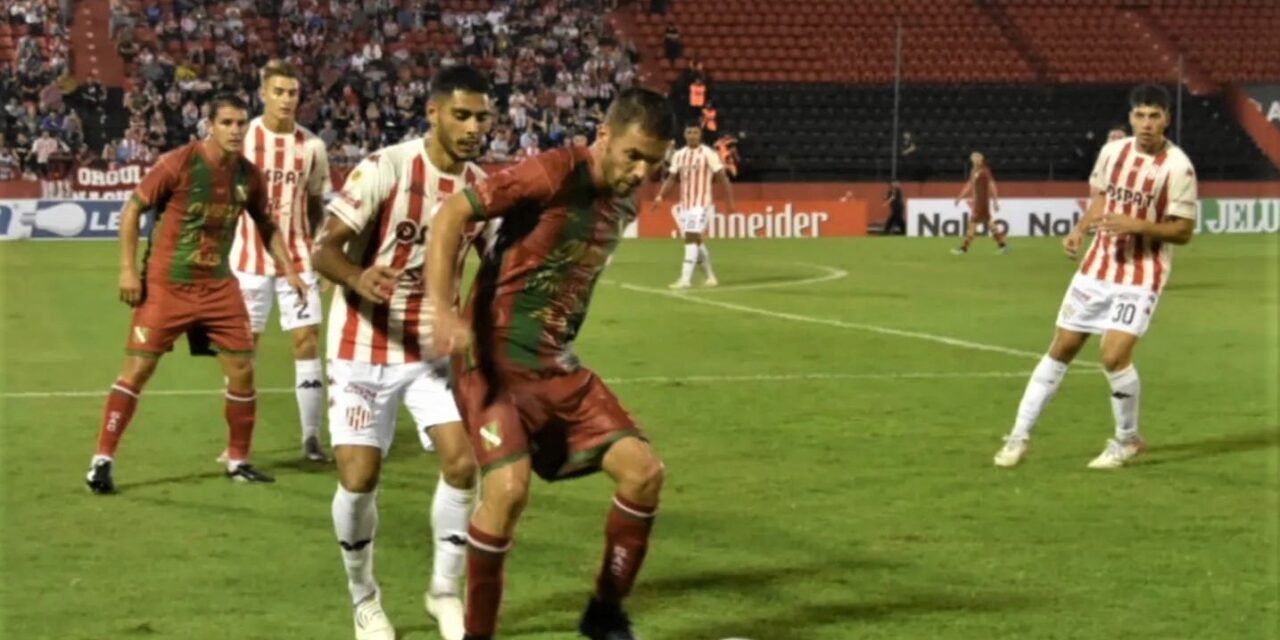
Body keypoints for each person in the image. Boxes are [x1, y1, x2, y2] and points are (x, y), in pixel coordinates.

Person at [426, 87, 676, 640]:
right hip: (490, 360)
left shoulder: (623, 201)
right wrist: (444, 310)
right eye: (632, 155)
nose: (640, 171)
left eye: (653, 163)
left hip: (555, 367)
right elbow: (451, 214)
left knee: (643, 474)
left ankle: (604, 612)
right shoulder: (552, 172)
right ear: (604, 136)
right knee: (508, 490)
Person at [310, 65, 494, 640]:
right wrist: (359, 277)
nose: (472, 127)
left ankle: (444, 591)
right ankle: (364, 597)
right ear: (433, 113)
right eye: (461, 115)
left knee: (463, 462)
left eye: (482, 117)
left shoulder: (480, 186)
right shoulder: (386, 168)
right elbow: (325, 249)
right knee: (360, 478)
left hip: (430, 351)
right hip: (360, 348)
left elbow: (497, 261)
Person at [85, 93, 303, 494]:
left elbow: (266, 224)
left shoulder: (247, 176)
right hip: (168, 286)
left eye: (241, 124)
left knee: (242, 369)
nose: (236, 131)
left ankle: (238, 460)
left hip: (219, 286)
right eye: (228, 123)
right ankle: (102, 460)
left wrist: (290, 269)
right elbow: (132, 210)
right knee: (138, 370)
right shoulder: (179, 163)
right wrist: (128, 269)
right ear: (210, 126)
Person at [993, 85, 1198, 469]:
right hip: (1096, 268)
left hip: (1141, 273)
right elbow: (1103, 197)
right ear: (1131, 117)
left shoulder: (1178, 168)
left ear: (1167, 119)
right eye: (1140, 115)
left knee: (1113, 355)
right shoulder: (1112, 152)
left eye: (1155, 116)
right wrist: (1080, 228)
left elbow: (1183, 231)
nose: (1147, 123)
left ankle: (1125, 440)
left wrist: (1135, 224)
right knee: (1061, 349)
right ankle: (1018, 436)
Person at [229, 60, 333, 462]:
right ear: (263, 93)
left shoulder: (312, 147)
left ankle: (311, 438)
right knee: (243, 351)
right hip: (246, 262)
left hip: (300, 260)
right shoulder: (242, 137)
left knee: (306, 342)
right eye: (279, 92)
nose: (287, 100)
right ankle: (240, 444)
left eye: (292, 93)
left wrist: (319, 253)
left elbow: (316, 204)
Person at [652, 122, 735, 289]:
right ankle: (710, 277)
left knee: (690, 236)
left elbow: (722, 178)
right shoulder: (679, 155)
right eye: (689, 132)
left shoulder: (708, 154)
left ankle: (685, 279)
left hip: (702, 204)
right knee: (695, 240)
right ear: (684, 134)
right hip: (685, 205)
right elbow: (671, 179)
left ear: (700, 134)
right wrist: (660, 196)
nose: (692, 135)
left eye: (695, 132)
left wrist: (729, 202)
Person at [951, 151, 1008, 254]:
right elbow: (970, 185)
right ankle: (1003, 245)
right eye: (973, 158)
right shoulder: (973, 171)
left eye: (977, 158)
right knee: (990, 223)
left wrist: (995, 201)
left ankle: (964, 249)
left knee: (972, 224)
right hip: (978, 202)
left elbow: (992, 185)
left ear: (981, 159)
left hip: (982, 202)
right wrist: (959, 197)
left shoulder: (984, 171)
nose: (974, 160)